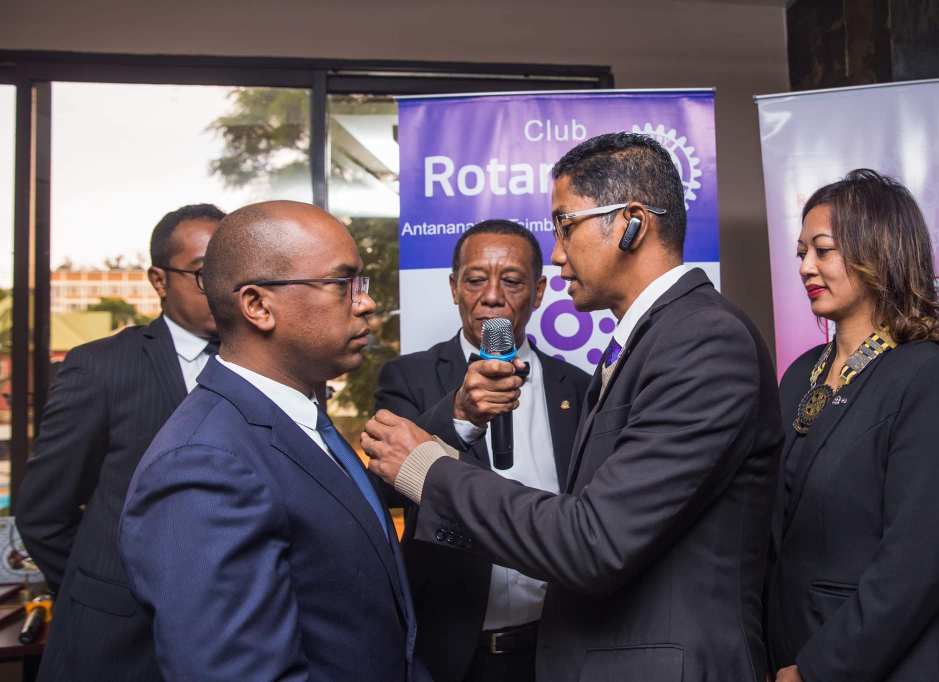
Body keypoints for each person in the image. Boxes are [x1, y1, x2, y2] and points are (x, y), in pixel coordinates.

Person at [363, 132, 783, 682]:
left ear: (632, 223)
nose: (558, 252)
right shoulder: (652, 339)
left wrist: (428, 468)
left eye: (565, 225)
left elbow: (594, 540)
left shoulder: (702, 339)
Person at [119, 200, 427, 681]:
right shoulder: (204, 465)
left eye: (361, 284)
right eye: (342, 284)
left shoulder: (299, 419)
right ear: (258, 306)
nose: (365, 303)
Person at [764, 170, 939, 682]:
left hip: (884, 666)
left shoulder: (931, 380)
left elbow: (916, 565)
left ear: (878, 252)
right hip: (790, 651)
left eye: (823, 250)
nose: (806, 266)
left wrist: (816, 670)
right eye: (801, 252)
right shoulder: (799, 373)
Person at [16, 203, 224, 681]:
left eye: (230, 271)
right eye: (202, 274)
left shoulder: (269, 367)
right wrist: (103, 592)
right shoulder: (101, 367)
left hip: (231, 637)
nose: (220, 287)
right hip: (120, 644)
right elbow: (44, 513)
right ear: (159, 280)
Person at [375, 219, 590, 682]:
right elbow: (382, 489)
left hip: (561, 647)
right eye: (475, 280)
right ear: (454, 287)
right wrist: (459, 417)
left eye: (511, 281)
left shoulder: (579, 388)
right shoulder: (408, 378)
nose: (492, 296)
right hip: (453, 654)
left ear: (538, 292)